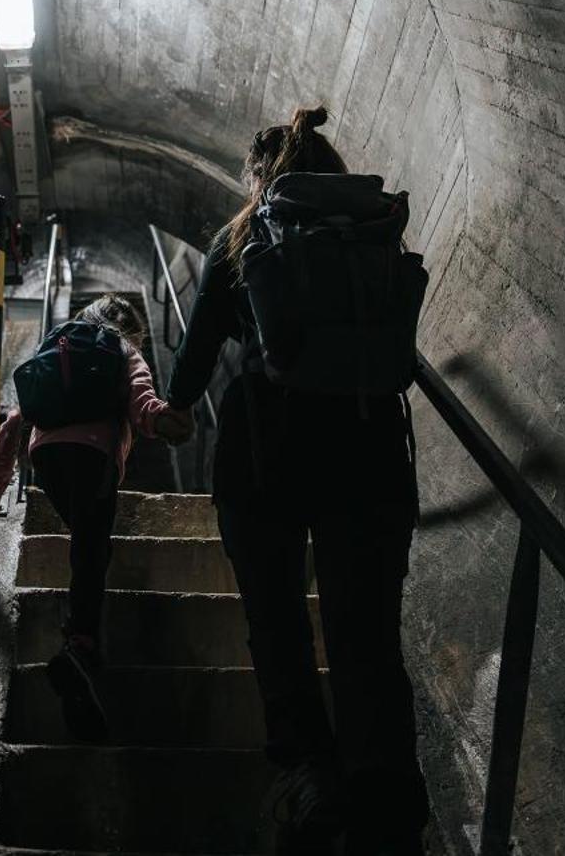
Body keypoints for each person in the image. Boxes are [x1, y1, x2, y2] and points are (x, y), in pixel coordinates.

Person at [165, 106, 428, 856]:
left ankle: (313, 777)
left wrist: (175, 409)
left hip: (267, 448)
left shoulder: (244, 234)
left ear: (259, 175)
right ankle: (386, 799)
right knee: (366, 632)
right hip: (372, 444)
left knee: (278, 618)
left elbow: (194, 357)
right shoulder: (370, 228)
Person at [0, 293, 192, 740]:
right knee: (92, 546)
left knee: (84, 532)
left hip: (46, 458)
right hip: (95, 454)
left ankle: (79, 639)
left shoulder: (60, 343)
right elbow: (142, 403)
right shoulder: (125, 352)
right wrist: (165, 422)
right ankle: (81, 644)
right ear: (132, 331)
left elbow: (16, 417)